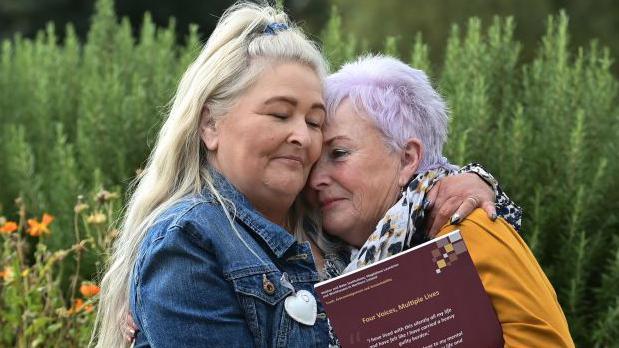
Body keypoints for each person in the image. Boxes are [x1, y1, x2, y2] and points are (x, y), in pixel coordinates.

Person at [308, 55, 575, 347]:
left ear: (408, 158)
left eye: (339, 153)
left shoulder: (464, 224)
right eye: (312, 162)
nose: (315, 179)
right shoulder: (322, 256)